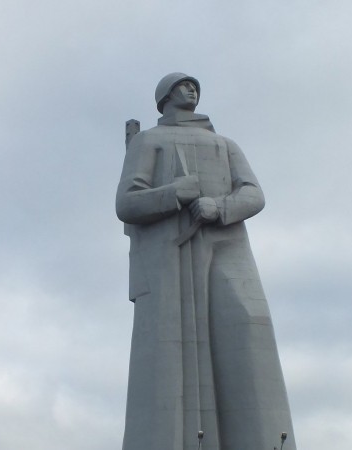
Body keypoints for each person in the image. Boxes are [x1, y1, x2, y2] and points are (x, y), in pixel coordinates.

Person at [116, 73, 296, 450]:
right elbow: (127, 204)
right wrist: (174, 193)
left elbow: (253, 193)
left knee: (247, 329)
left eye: (194, 85)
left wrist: (220, 206)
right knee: (169, 359)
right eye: (182, 85)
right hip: (170, 258)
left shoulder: (225, 145)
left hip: (227, 247)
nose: (191, 90)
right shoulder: (149, 141)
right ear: (165, 96)